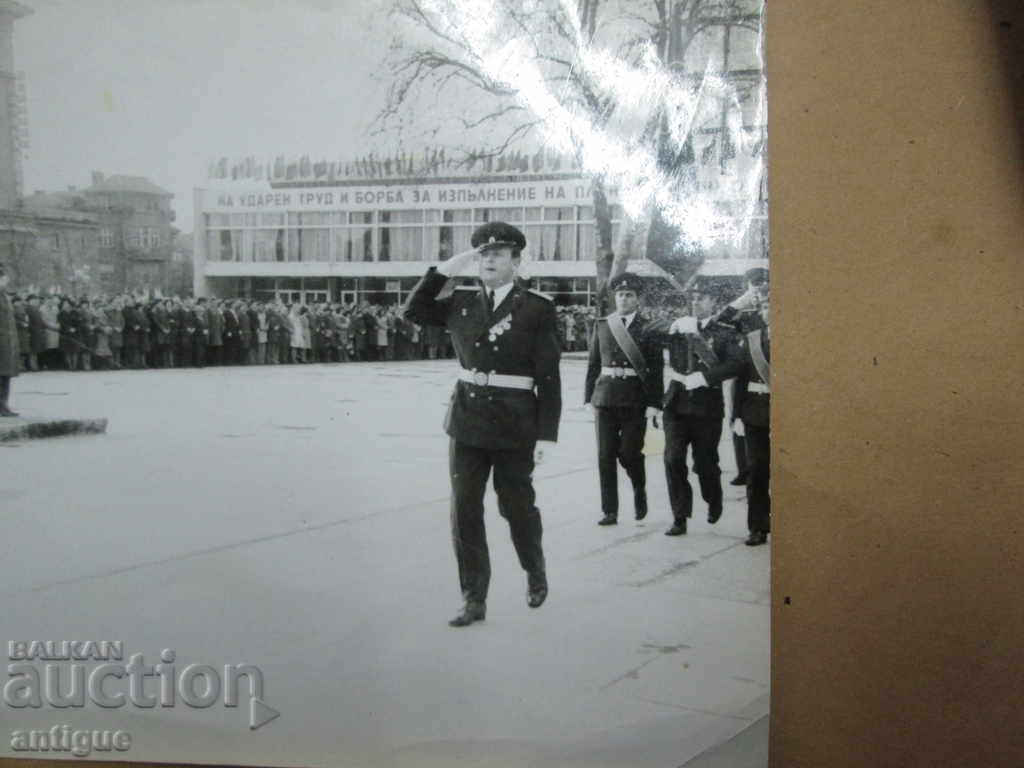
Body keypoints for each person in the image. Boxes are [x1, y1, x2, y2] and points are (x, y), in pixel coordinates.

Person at [402, 221, 562, 627]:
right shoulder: (461, 302)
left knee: (515, 506)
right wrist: (444, 271)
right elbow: (413, 311)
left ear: (516, 261)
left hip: (515, 422)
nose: (489, 259)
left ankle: (535, 568)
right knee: (465, 509)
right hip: (468, 420)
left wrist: (546, 433)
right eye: (483, 254)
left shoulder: (537, 308)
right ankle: (473, 597)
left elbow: (548, 375)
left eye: (499, 253)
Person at [646, 282, 739, 535]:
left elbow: (735, 365)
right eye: (693, 298)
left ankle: (713, 497)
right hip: (676, 404)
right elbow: (646, 331)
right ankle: (680, 516)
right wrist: (673, 325)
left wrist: (707, 378)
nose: (696, 302)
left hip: (707, 408)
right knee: (673, 459)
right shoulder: (679, 327)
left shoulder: (723, 332)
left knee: (705, 463)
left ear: (713, 303)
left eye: (703, 298)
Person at [583, 273, 664, 526]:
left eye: (629, 295)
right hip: (605, 398)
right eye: (620, 294)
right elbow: (593, 363)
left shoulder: (648, 328)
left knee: (629, 453)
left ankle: (639, 489)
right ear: (614, 297)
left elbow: (656, 368)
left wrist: (654, 403)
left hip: (635, 400)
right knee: (605, 455)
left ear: (638, 299)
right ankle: (610, 510)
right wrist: (587, 397)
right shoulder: (603, 324)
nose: (624, 299)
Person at [0, 263, 20, 415]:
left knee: (6, 374)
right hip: (2, 342)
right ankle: (2, 406)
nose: (6, 280)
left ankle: (4, 405)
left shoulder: (4, 297)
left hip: (8, 342)